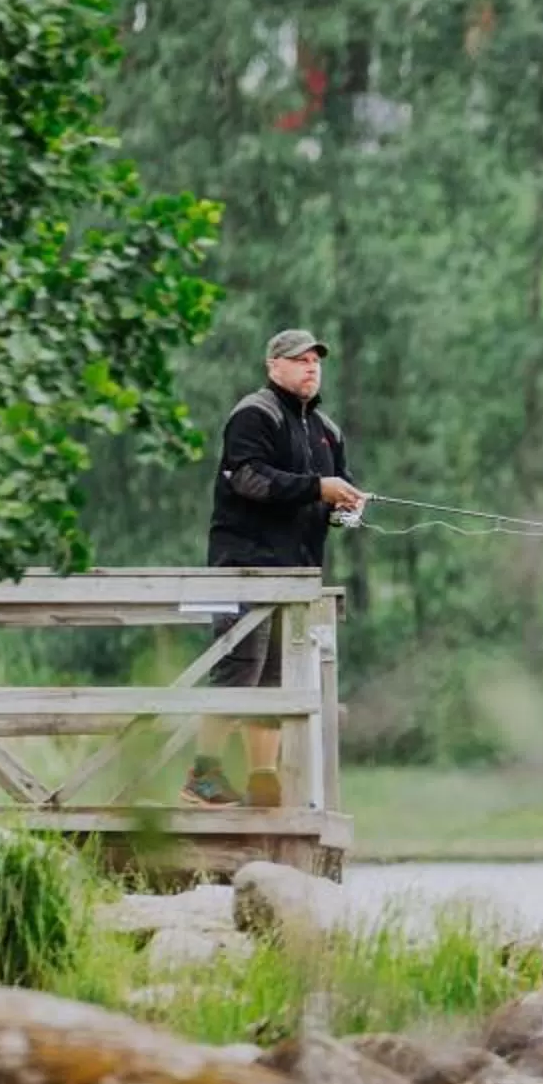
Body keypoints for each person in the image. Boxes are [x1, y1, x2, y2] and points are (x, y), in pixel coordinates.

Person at [187, 327, 362, 806]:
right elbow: (248, 479)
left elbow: (331, 494)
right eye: (299, 359)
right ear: (274, 367)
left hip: (296, 574)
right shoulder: (253, 414)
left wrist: (345, 506)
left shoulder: (328, 431)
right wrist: (316, 488)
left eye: (315, 360)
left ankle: (263, 779)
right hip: (242, 566)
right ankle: (201, 777)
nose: (310, 367)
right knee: (239, 667)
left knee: (277, 678)